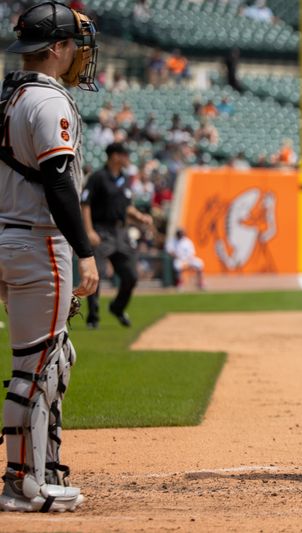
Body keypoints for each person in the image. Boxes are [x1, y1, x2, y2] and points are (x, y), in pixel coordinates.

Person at [0, 1, 100, 512]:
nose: (81, 55)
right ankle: (22, 482)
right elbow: (60, 181)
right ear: (57, 48)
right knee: (38, 365)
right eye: (74, 46)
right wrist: (84, 252)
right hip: (40, 241)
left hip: (10, 236)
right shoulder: (47, 102)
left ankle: (42, 467)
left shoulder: (11, 95)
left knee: (48, 359)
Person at [81, 142, 152, 329]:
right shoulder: (98, 177)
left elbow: (127, 206)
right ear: (114, 156)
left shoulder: (125, 179)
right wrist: (89, 231)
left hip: (120, 232)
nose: (127, 157)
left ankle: (117, 307)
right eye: (124, 154)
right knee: (96, 276)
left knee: (130, 276)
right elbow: (85, 204)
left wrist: (139, 216)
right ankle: (93, 317)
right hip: (101, 230)